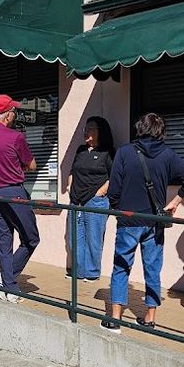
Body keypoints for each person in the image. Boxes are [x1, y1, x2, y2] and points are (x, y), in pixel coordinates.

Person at [103, 112, 184, 331]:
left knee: (121, 267)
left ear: (140, 128)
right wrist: (175, 202)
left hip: (129, 220)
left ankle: (115, 318)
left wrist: (118, 209)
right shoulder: (167, 154)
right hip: (155, 221)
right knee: (152, 269)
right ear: (160, 131)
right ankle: (150, 318)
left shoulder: (124, 152)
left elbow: (114, 189)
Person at [0, 93, 39, 304]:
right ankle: (7, 279)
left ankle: (9, 286)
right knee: (31, 238)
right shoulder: (15, 137)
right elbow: (32, 165)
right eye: (14, 111)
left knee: (3, 241)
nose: (15, 114)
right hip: (13, 193)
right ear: (7, 115)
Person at [66, 116, 115, 281]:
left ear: (100, 132)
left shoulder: (107, 152)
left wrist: (100, 192)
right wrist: (69, 186)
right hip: (76, 200)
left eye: (91, 129)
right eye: (85, 128)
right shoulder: (80, 150)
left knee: (93, 239)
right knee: (74, 238)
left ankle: (92, 273)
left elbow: (114, 176)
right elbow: (72, 171)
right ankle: (78, 272)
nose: (86, 132)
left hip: (95, 201)